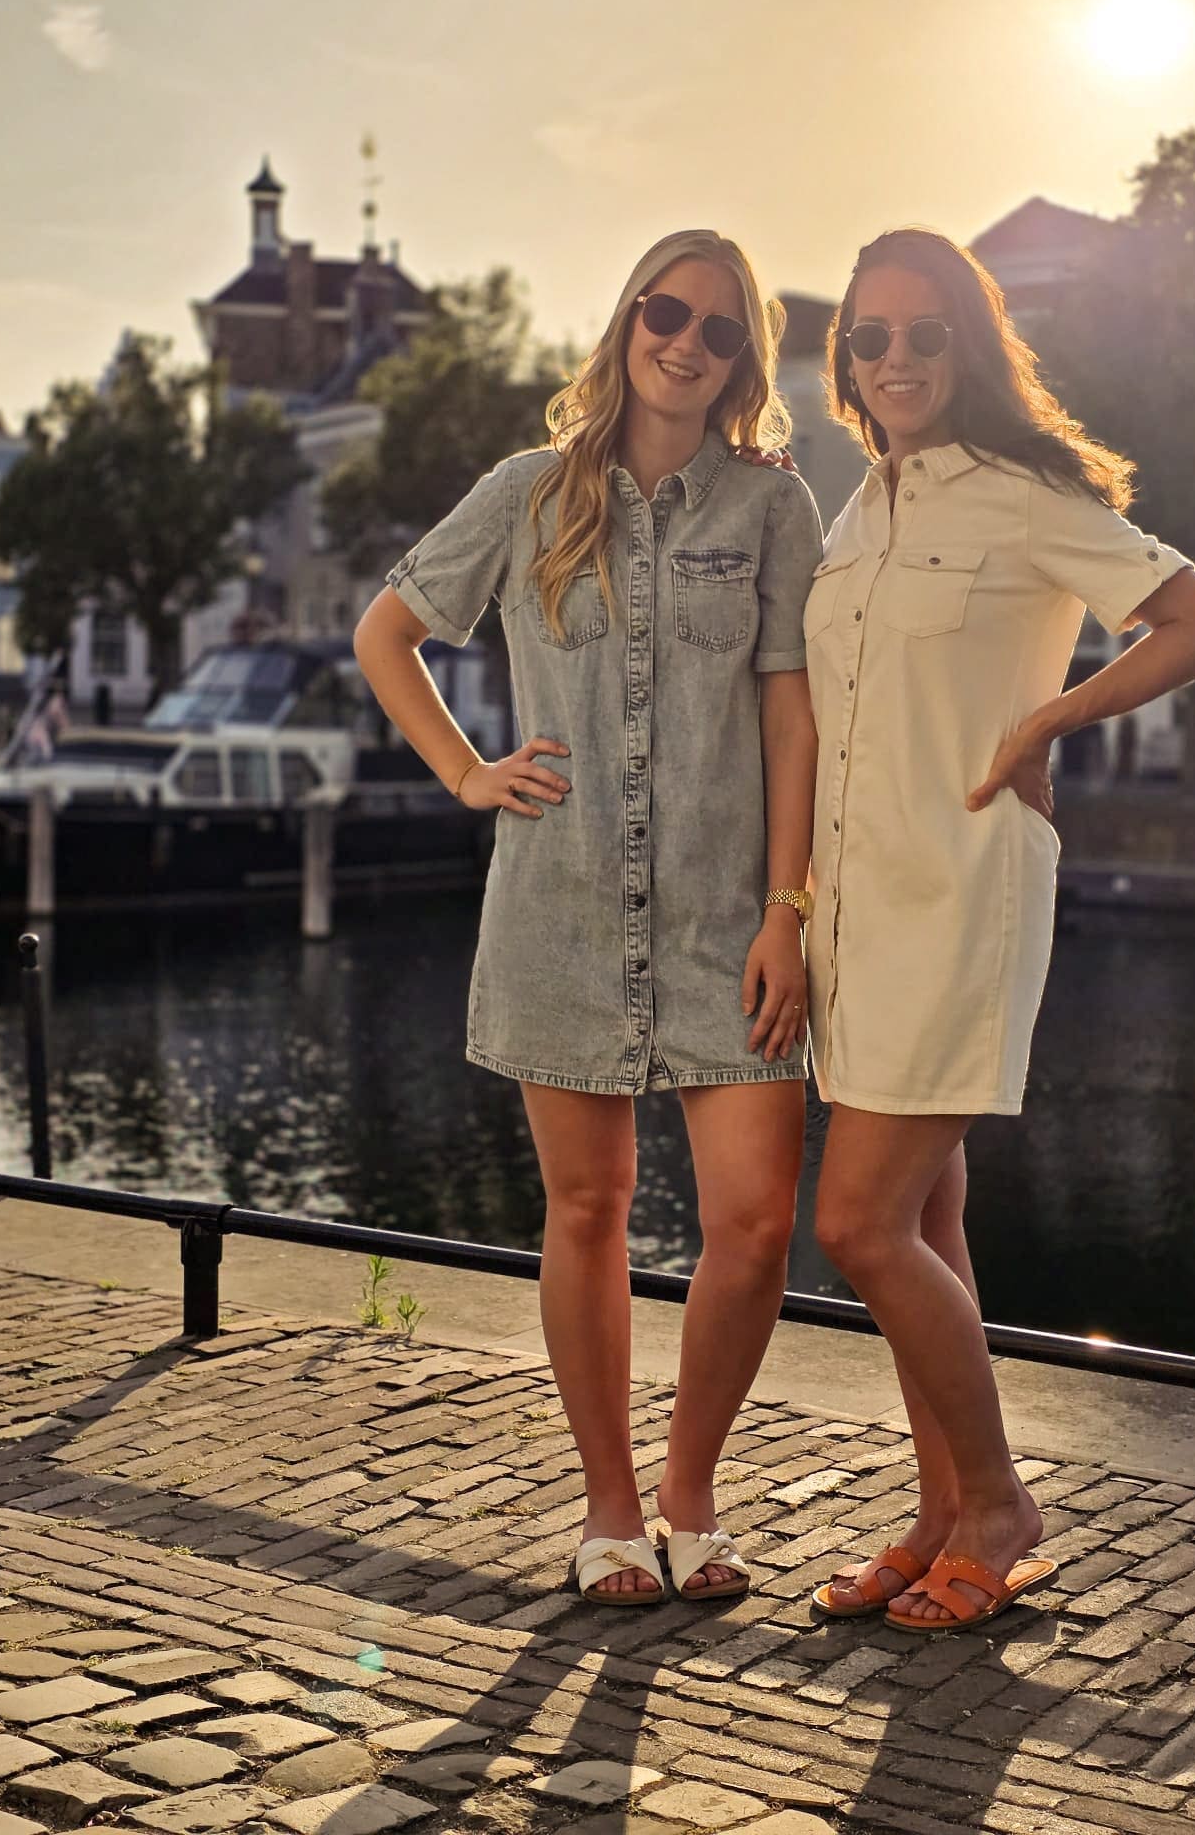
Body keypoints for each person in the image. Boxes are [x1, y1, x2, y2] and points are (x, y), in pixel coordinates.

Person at [354, 230, 822, 1608]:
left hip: (728, 920)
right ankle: (611, 1507)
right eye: (666, 312)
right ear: (627, 323)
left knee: (755, 1223)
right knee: (587, 1208)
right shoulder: (527, 492)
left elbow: (792, 721)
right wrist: (467, 774)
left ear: (743, 361)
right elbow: (388, 634)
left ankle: (691, 1492)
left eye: (720, 329)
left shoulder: (773, 508)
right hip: (558, 907)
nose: (686, 342)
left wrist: (787, 908)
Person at [804, 229, 1195, 1635]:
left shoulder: (1024, 493)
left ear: (969, 348)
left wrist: (1050, 718)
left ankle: (999, 1503)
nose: (897, 358)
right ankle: (941, 1513)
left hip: (962, 894)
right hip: (852, 911)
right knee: (927, 1218)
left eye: (926, 333)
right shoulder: (855, 513)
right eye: (871, 337)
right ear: (848, 361)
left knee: (858, 1222)